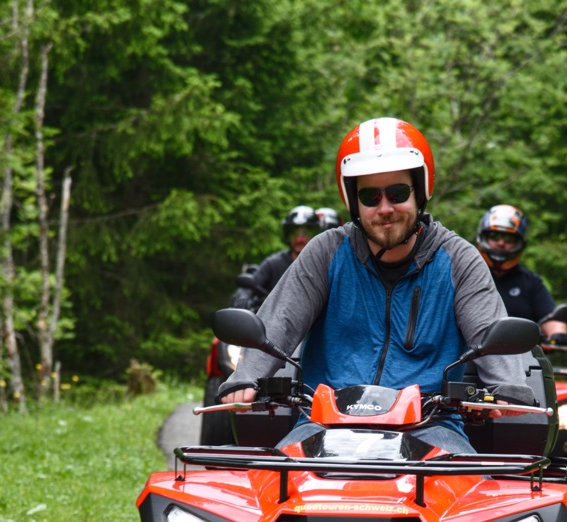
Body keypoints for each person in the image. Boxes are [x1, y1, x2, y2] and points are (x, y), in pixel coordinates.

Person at [219, 117, 536, 453]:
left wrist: (508, 384)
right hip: (321, 425)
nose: (385, 208)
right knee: (272, 481)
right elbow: (278, 321)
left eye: (397, 193)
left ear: (420, 191)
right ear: (353, 201)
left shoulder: (459, 259)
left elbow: (489, 330)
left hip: (433, 430)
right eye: (370, 196)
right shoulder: (326, 252)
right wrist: (246, 376)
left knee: (472, 487)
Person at [475, 204, 567, 344]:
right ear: (483, 237)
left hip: (521, 354)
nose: (501, 243)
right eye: (494, 236)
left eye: (509, 238)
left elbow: (550, 317)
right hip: (471, 352)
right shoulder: (467, 274)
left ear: (519, 243)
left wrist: (558, 334)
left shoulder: (530, 281)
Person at [232, 206, 341, 311]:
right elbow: (247, 288)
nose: (300, 239)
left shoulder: (326, 266)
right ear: (287, 235)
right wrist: (243, 301)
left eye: (306, 233)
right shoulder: (274, 264)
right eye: (294, 234)